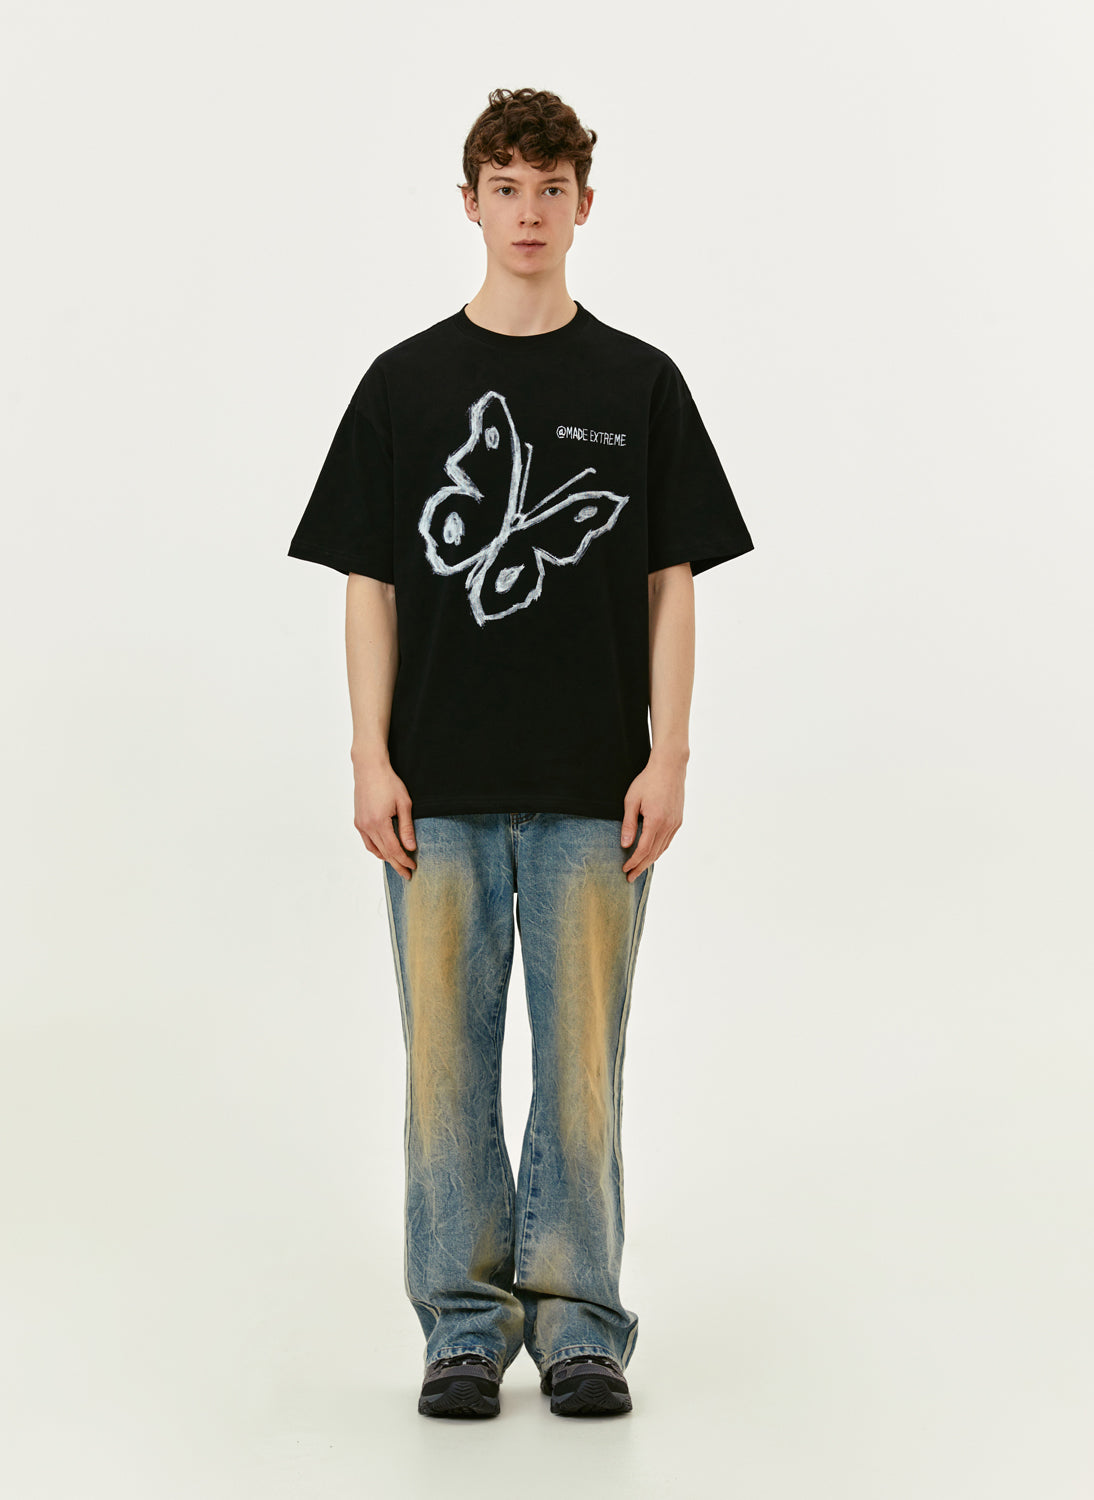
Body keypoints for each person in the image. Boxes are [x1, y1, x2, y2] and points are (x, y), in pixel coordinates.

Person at [287, 86, 754, 1420]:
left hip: (593, 790)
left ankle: (581, 1324)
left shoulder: (638, 382)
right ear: (470, 204)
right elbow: (370, 584)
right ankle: (461, 1326)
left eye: (552, 188)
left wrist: (670, 756)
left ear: (584, 205)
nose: (530, 212)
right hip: (432, 792)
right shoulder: (405, 383)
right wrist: (369, 755)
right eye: (507, 187)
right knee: (444, 1067)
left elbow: (671, 581)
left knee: (580, 1071)